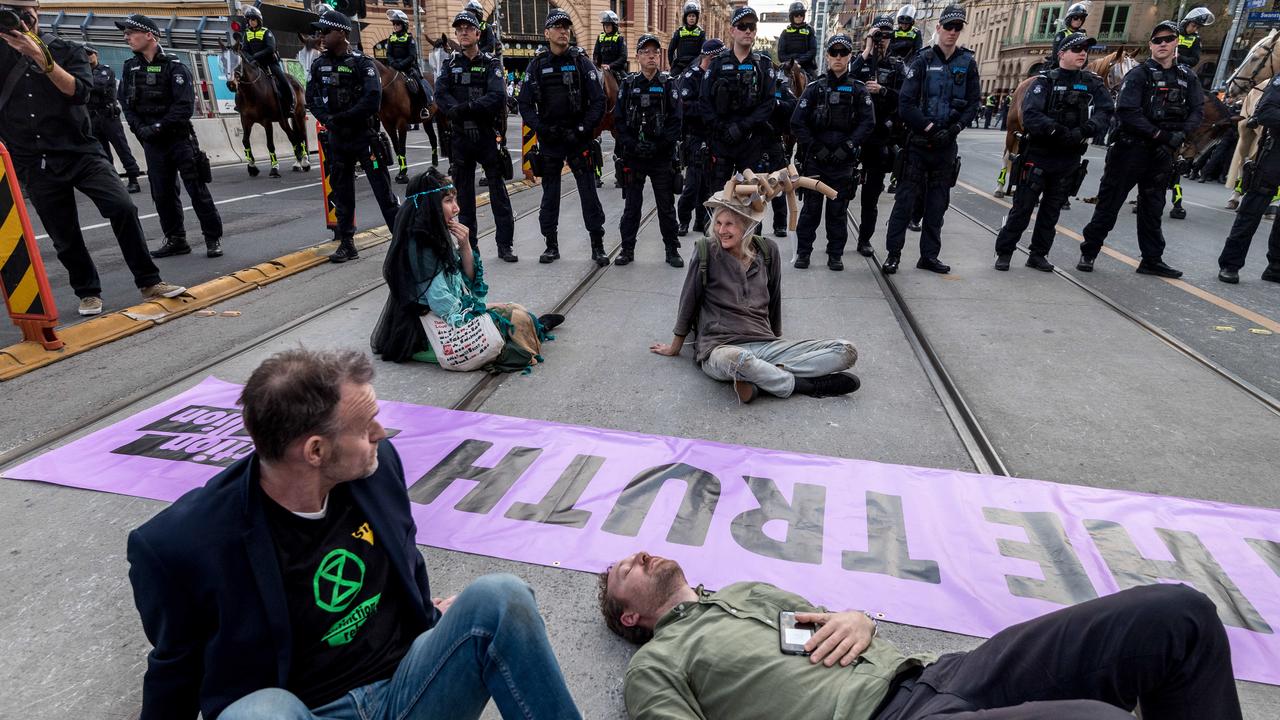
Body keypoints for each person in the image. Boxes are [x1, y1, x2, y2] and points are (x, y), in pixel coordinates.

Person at [127, 346, 582, 720]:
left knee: (501, 597)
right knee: (259, 714)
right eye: (366, 428)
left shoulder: (377, 471)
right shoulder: (180, 546)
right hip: (307, 711)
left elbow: (407, 564)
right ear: (316, 451)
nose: (382, 433)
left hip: (409, 689)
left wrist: (433, 617)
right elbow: (175, 672)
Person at [598, 551, 1244, 720]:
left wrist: (857, 615)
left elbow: (816, 641)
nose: (642, 556)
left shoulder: (744, 597)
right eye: (624, 570)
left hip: (945, 674)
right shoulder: (660, 663)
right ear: (629, 616)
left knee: (1175, 615)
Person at [0, 0, 183, 317]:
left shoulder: (67, 49)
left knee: (122, 206)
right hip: (34, 159)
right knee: (64, 235)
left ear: (37, 11)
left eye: (23, 10)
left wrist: (38, 56)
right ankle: (87, 292)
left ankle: (149, 280)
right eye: (9, 9)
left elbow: (80, 92)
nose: (19, 17)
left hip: (80, 149)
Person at [650, 191, 861, 403]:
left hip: (764, 344)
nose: (721, 230)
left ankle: (765, 379)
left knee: (845, 350)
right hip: (720, 347)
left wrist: (777, 340)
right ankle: (803, 385)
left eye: (729, 224)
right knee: (737, 360)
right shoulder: (706, 250)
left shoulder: (768, 250)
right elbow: (689, 299)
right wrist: (675, 346)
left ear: (747, 225)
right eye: (718, 223)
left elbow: (775, 298)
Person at [371, 168, 563, 370]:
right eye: (448, 201)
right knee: (513, 318)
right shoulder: (420, 245)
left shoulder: (435, 233)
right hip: (429, 331)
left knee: (515, 310)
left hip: (449, 314)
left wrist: (465, 247)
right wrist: (481, 312)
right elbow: (441, 303)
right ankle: (531, 332)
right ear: (429, 205)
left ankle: (536, 327)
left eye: (455, 200)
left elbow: (465, 283)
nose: (456, 209)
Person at [1077, 21, 1203, 279]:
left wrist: (1181, 134)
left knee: (1153, 208)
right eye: (1157, 40)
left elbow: (1197, 110)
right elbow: (1127, 111)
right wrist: (1161, 135)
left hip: (1162, 154)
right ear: (1151, 45)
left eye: (1168, 39)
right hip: (1130, 150)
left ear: (1176, 42)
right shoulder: (1139, 74)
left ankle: (1152, 259)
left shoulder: (1187, 77)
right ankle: (1089, 252)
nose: (1163, 44)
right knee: (1109, 204)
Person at [994, 33, 1113, 273]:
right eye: (1076, 48)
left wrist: (1086, 129)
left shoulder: (1092, 82)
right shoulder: (1044, 81)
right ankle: (1005, 252)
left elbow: (1106, 111)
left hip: (1068, 158)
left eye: (1085, 49)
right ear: (1061, 54)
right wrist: (1057, 131)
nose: (1082, 53)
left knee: (1051, 211)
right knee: (1023, 208)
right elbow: (1031, 115)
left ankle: (1038, 254)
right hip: (1039, 154)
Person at [882, 5, 979, 275]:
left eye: (957, 27)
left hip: (946, 147)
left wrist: (955, 128)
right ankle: (893, 255)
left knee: (937, 207)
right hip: (918, 145)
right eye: (948, 26)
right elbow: (906, 103)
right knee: (904, 204)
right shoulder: (922, 60)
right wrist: (928, 127)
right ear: (938, 28)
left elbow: (973, 103)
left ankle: (929, 256)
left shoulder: (967, 63)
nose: (952, 32)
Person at [118, 14, 225, 259]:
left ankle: (212, 238)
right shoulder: (129, 68)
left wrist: (156, 128)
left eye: (131, 32)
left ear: (149, 35)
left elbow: (184, 107)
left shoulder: (175, 66)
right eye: (125, 33)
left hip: (178, 139)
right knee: (162, 193)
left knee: (196, 189)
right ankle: (176, 239)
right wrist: (140, 129)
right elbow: (125, 103)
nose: (126, 37)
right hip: (153, 144)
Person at [305, 9, 401, 264]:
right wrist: (327, 119)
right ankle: (347, 243)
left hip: (364, 136)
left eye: (326, 31)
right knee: (341, 191)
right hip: (337, 138)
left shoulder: (362, 63)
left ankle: (401, 242)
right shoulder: (318, 64)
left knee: (383, 191)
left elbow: (372, 100)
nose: (322, 36)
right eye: (320, 32)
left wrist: (343, 118)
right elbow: (311, 97)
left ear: (342, 33)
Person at [519, 8, 608, 266]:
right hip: (550, 140)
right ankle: (551, 245)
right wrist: (541, 128)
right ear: (546, 33)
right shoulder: (536, 65)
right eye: (558, 27)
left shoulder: (581, 62)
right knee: (550, 195)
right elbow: (524, 104)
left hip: (578, 139)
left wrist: (582, 129)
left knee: (588, 193)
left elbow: (598, 101)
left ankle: (597, 245)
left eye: (566, 27)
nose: (564, 31)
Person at [436, 11, 516, 262]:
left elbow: (497, 96)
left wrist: (467, 109)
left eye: (468, 28)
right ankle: (471, 246)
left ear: (478, 34)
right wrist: (456, 111)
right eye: (459, 29)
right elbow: (440, 94)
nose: (463, 32)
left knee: (498, 193)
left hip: (485, 134)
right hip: (460, 136)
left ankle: (505, 245)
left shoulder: (491, 63)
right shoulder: (449, 64)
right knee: (465, 197)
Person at [791, 34, 875, 271]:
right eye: (834, 53)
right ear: (827, 56)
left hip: (843, 161)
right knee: (810, 210)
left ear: (850, 56)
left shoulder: (858, 90)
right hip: (816, 160)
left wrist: (848, 147)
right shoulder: (815, 88)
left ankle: (835, 254)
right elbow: (797, 122)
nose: (838, 57)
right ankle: (804, 253)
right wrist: (814, 147)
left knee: (838, 212)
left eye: (843, 53)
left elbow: (867, 123)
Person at [615, 34, 683, 268]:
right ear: (638, 56)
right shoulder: (629, 84)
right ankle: (627, 249)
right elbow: (619, 120)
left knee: (665, 206)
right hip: (635, 157)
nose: (651, 55)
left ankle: (672, 249)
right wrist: (632, 144)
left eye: (655, 51)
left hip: (660, 157)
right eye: (645, 51)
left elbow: (676, 122)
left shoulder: (668, 84)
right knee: (632, 206)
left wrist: (659, 144)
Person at [701, 7, 776, 191]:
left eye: (751, 26)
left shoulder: (763, 65)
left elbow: (768, 104)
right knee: (719, 200)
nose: (748, 30)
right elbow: (704, 102)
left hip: (751, 143)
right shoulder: (717, 64)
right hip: (721, 142)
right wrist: (722, 128)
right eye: (742, 26)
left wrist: (742, 127)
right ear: (732, 31)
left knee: (752, 205)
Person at [1216, 76, 1280, 284]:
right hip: (1275, 156)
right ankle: (1230, 264)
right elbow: (1265, 113)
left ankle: (1276, 266)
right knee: (1251, 212)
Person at [850, 16, 905, 257]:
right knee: (842, 191)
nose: (882, 40)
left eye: (886, 35)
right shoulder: (859, 62)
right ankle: (836, 240)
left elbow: (906, 98)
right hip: (855, 136)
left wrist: (882, 90)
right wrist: (868, 49)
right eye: (878, 35)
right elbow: (846, 77)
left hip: (880, 136)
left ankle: (864, 239)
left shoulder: (896, 66)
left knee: (871, 197)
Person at [675, 39, 722, 237]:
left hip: (714, 135)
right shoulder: (691, 76)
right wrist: (708, 111)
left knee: (709, 185)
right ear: (710, 57)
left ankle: (701, 221)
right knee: (692, 185)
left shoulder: (718, 75)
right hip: (695, 135)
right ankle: (684, 220)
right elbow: (685, 105)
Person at [85, 46, 142, 193]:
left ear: (96, 54)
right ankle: (112, 182)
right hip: (93, 117)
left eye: (90, 53)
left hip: (108, 116)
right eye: (84, 54)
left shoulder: (105, 70)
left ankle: (133, 179)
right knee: (102, 153)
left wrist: (82, 82)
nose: (88, 57)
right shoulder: (83, 72)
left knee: (122, 148)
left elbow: (98, 85)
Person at [241, 6, 294, 115]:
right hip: (255, 64)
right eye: (249, 20)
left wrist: (255, 56)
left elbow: (271, 48)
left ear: (259, 20)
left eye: (253, 19)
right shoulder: (246, 34)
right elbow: (244, 50)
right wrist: (250, 58)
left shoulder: (266, 32)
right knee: (241, 79)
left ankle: (291, 104)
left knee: (283, 80)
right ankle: (241, 104)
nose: (251, 22)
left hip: (270, 63)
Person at [777, 1, 817, 79]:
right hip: (788, 66)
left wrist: (798, 61)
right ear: (791, 16)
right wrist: (791, 62)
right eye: (796, 15)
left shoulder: (810, 31)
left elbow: (813, 51)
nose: (799, 17)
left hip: (806, 66)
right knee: (776, 82)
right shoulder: (785, 33)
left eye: (801, 14)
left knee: (816, 84)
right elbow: (781, 55)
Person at [668, 1, 705, 77]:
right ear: (685, 18)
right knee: (670, 81)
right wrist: (672, 65)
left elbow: (704, 52)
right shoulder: (679, 32)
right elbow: (670, 50)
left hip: (695, 65)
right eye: (689, 16)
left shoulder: (701, 33)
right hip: (680, 65)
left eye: (693, 16)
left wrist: (700, 64)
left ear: (697, 18)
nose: (691, 18)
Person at [1048, 3, 1089, 70]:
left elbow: (1086, 55)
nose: (1079, 20)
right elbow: (1056, 57)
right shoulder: (1061, 34)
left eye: (1082, 18)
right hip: (1062, 69)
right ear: (1069, 18)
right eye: (1076, 17)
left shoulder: (1083, 34)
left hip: (1079, 70)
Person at [1177, 7, 1214, 71]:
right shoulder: (1174, 32)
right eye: (1193, 26)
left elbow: (1194, 60)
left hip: (1181, 70)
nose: (1194, 29)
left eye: (1197, 28)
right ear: (1186, 23)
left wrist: (1179, 57)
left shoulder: (1196, 39)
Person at [594, 11, 627, 83]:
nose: (606, 26)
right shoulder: (600, 37)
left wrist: (610, 66)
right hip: (602, 68)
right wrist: (597, 64)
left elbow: (623, 57)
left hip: (616, 69)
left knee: (627, 83)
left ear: (614, 26)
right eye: (604, 24)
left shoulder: (620, 38)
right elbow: (596, 54)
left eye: (608, 24)